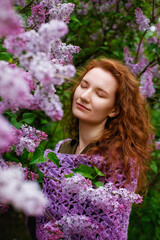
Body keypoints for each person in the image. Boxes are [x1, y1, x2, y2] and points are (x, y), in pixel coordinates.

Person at [28, 58, 154, 240]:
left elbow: (110, 233)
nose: (85, 96)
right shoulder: (62, 149)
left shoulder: (118, 164)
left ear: (114, 110)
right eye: (84, 85)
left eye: (100, 94)